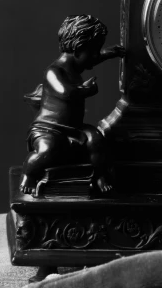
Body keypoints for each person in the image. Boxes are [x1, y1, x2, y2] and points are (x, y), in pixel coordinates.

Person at [19, 15, 125, 195]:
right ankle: (29, 174)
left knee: (96, 140)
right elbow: (66, 93)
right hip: (47, 128)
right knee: (48, 150)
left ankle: (99, 175)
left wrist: (109, 53)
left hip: (74, 128)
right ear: (77, 50)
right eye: (93, 51)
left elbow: (92, 59)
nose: (95, 56)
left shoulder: (76, 64)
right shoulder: (54, 71)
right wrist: (86, 90)